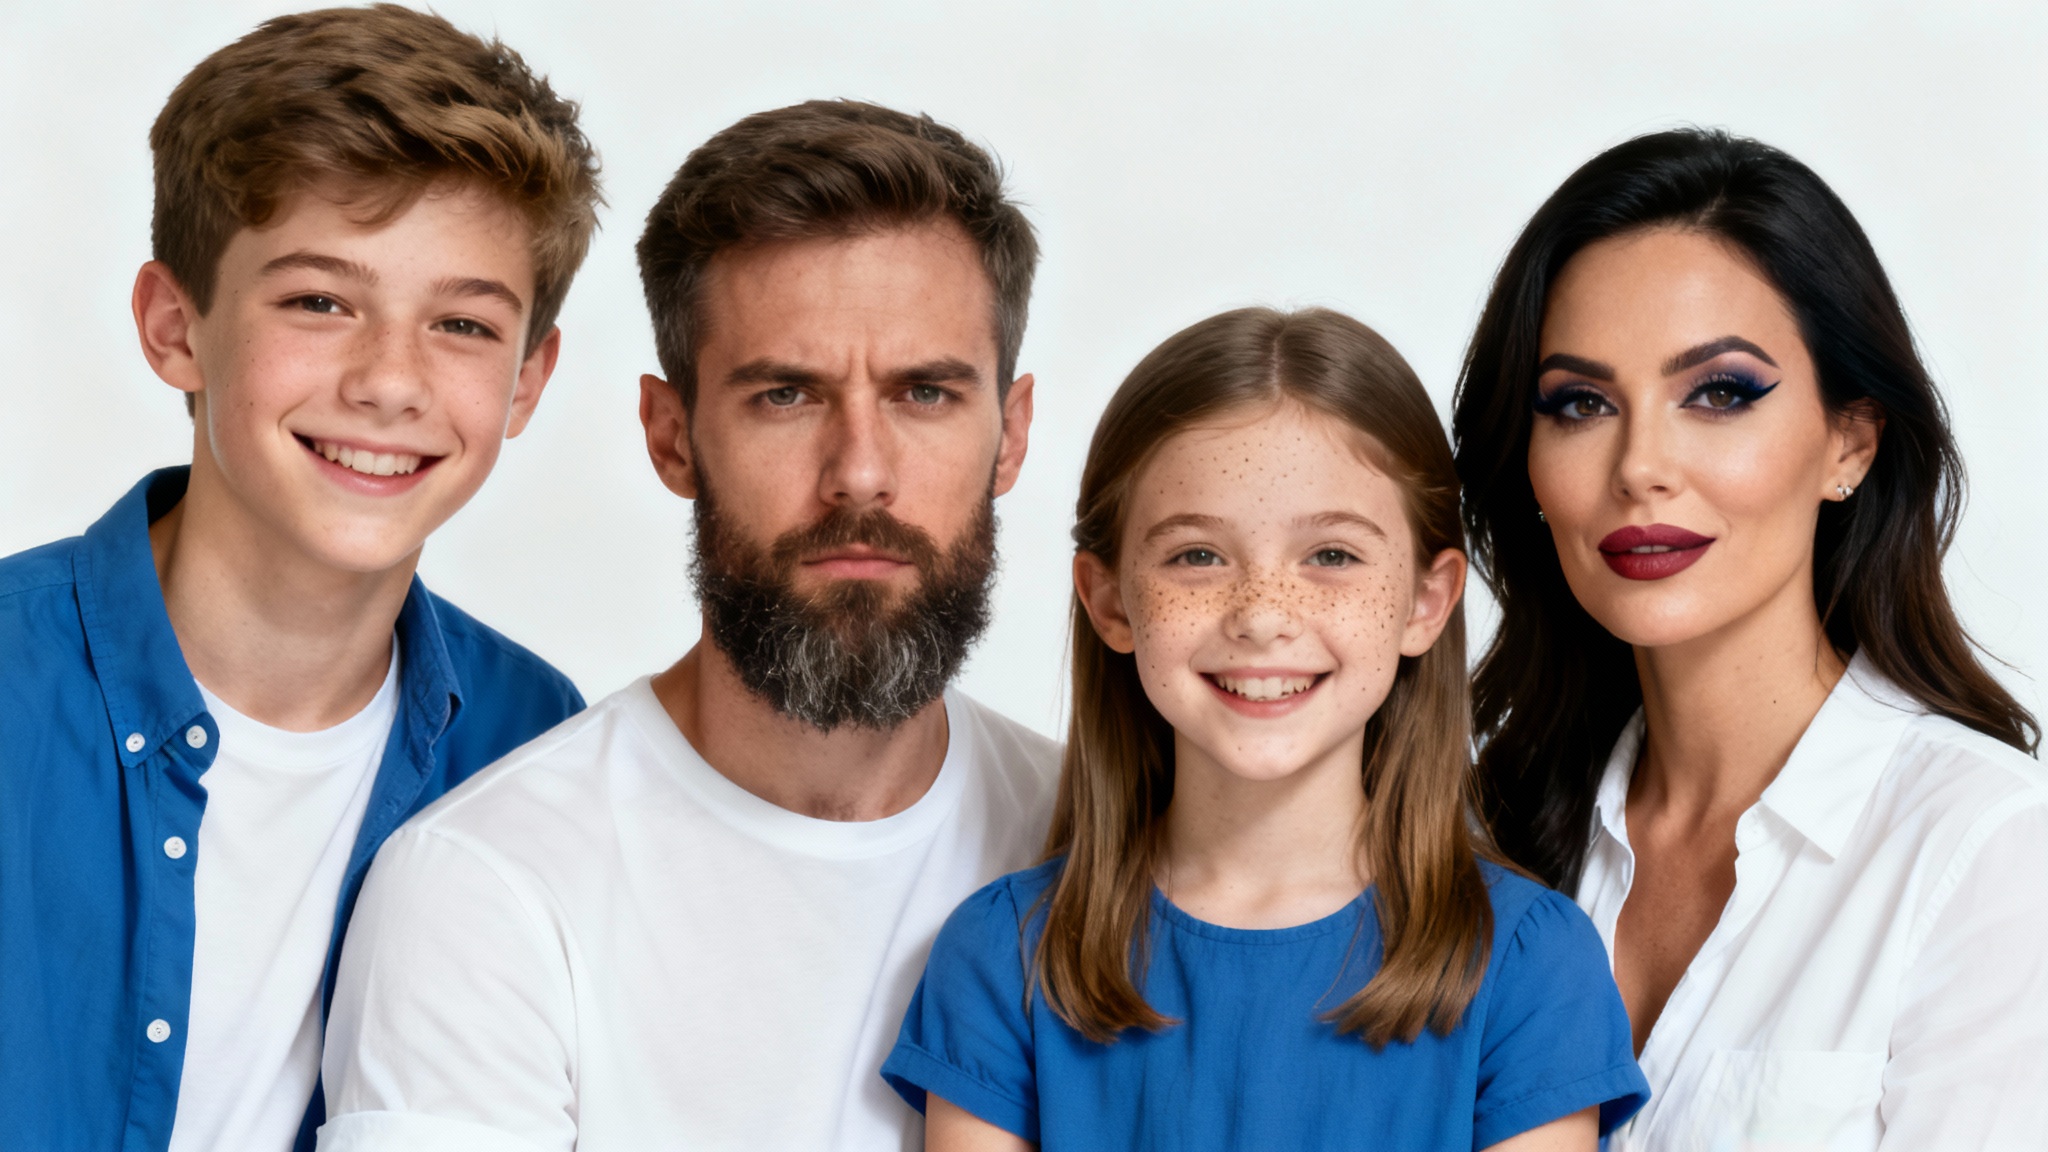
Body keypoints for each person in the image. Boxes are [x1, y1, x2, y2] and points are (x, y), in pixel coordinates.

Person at [317, 100, 1060, 1151]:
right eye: (786, 396)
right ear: (671, 438)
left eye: (925, 393)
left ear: (1009, 435)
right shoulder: (488, 892)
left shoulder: (1107, 851)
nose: (859, 472)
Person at [0, 7, 602, 1152]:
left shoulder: (539, 746)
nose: (390, 381)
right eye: (320, 301)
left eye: (464, 324)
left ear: (527, 381)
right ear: (176, 327)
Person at [883, 307, 1649, 1151]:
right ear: (1108, 601)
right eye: (1197, 556)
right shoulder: (1001, 957)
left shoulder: (1533, 965)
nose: (1261, 617)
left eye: (1331, 556)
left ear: (1426, 602)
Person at [1451, 128, 2048, 1149]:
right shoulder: (1477, 835)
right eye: (1580, 404)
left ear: (1847, 443)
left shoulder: (1982, 853)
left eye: (1718, 393)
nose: (1640, 465)